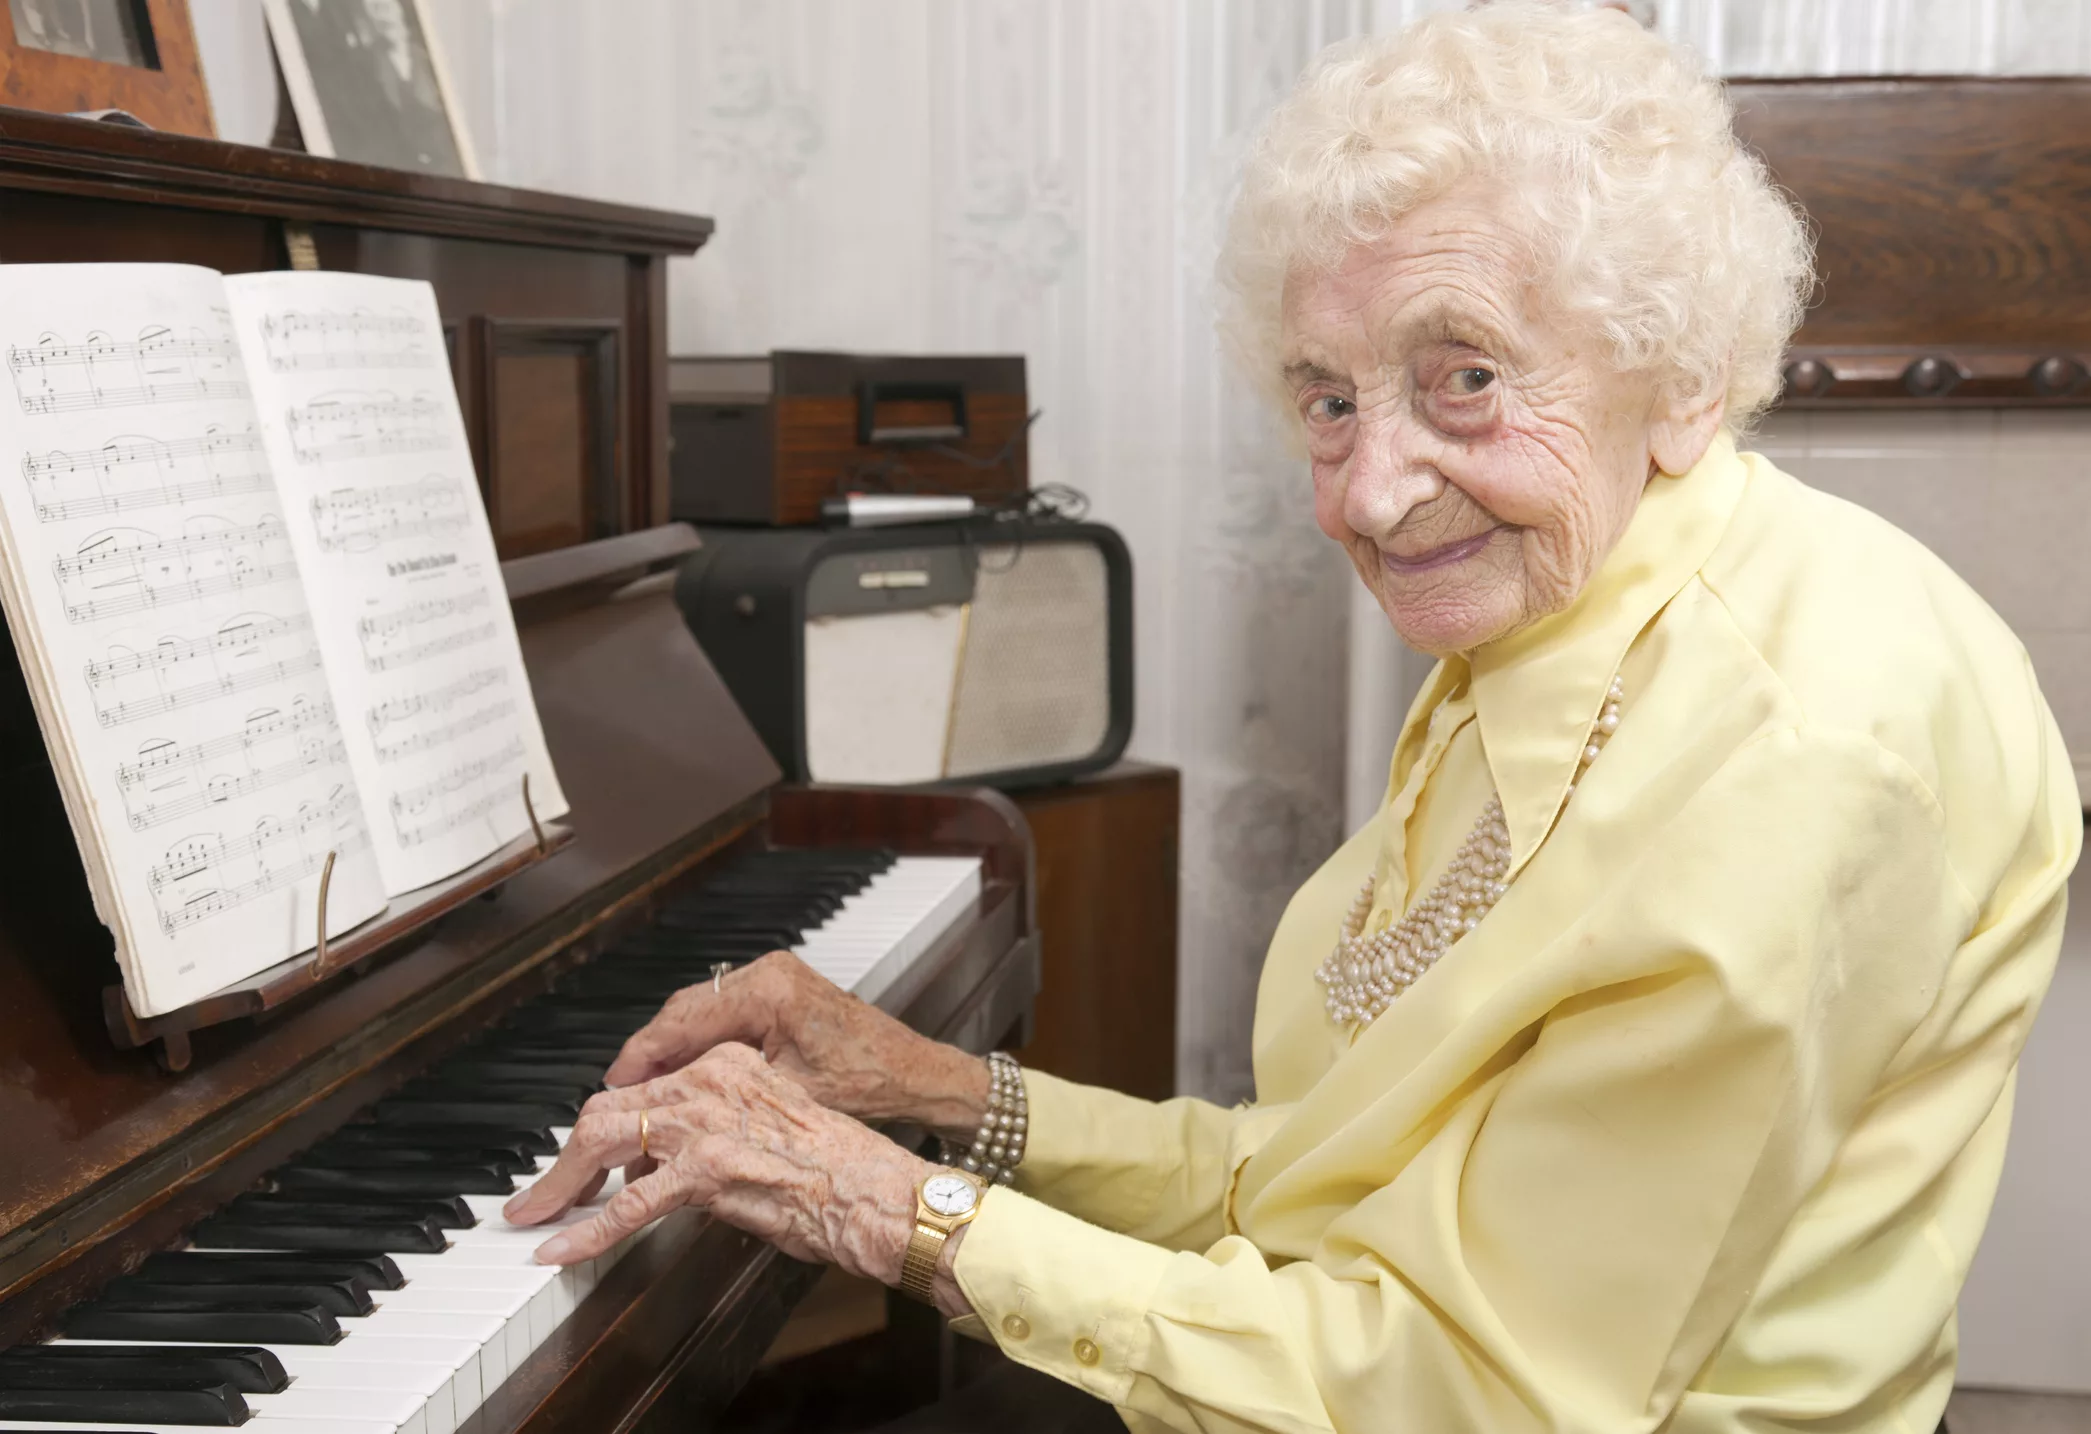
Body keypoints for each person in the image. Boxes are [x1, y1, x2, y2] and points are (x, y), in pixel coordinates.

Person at [504, 6, 2080, 1430]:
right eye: (1329, 399)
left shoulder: (1781, 758)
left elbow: (1471, 1387)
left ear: (1680, 374)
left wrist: (888, 1208)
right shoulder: (1566, 619)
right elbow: (1323, 1177)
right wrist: (934, 1094)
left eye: (1461, 375)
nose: (1374, 497)